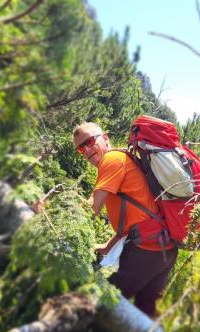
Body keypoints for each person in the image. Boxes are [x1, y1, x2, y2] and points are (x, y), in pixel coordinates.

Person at [73, 122, 178, 317]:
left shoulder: (112, 159)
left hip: (146, 251)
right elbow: (134, 218)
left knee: (98, 307)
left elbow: (92, 208)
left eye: (89, 141)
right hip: (164, 250)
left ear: (105, 138)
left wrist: (54, 217)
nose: (86, 149)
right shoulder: (124, 158)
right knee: (143, 318)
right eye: (81, 148)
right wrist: (107, 246)